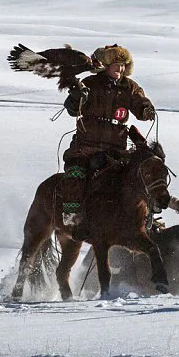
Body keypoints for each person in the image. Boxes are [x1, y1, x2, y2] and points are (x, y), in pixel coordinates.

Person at [60, 44, 157, 229]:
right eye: (116, 64)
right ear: (105, 64)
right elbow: (72, 109)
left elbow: (139, 102)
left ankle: (144, 218)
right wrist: (76, 97)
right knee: (76, 174)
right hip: (86, 145)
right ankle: (73, 219)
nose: (120, 69)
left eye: (123, 65)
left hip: (116, 148)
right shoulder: (90, 83)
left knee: (141, 177)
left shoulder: (130, 87)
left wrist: (145, 109)